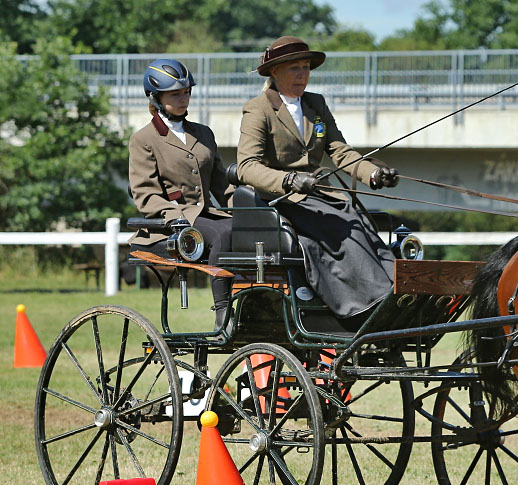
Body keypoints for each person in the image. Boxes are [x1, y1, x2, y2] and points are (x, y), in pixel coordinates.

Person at [237, 36, 399, 320]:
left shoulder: (316, 104)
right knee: (341, 229)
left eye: (306, 68)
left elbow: (340, 151)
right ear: (274, 72)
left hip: (318, 195)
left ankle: (398, 292)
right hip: (281, 199)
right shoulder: (258, 108)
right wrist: (288, 181)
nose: (303, 75)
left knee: (360, 221)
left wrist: (373, 173)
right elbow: (246, 167)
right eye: (294, 69)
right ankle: (369, 304)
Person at [128, 58, 234, 330]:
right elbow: (145, 194)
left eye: (186, 92)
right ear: (156, 97)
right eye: (175, 93)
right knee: (222, 234)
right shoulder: (144, 140)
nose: (184, 98)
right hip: (172, 223)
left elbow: (222, 186)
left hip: (208, 215)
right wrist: (175, 216)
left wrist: (250, 211)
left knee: (249, 229)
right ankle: (223, 313)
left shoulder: (204, 133)